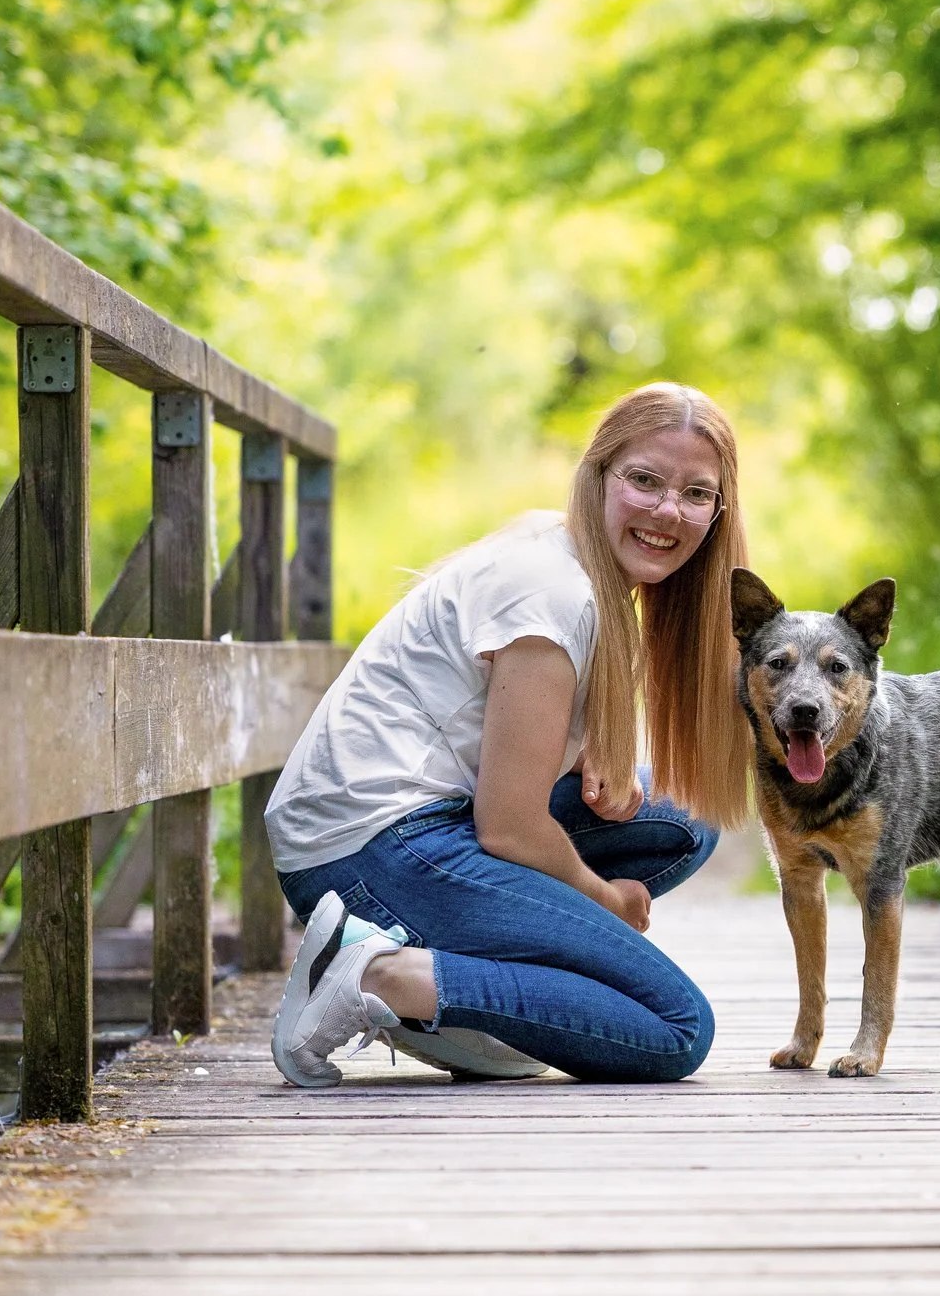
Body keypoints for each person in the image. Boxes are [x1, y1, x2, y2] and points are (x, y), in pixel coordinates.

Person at [264, 382, 751, 1086]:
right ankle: (381, 975)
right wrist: (603, 898)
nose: (668, 511)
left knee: (679, 821)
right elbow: (511, 827)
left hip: (419, 824)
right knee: (675, 1029)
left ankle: (468, 1000)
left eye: (696, 494)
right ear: (598, 475)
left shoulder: (569, 553)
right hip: (363, 852)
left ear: (719, 510)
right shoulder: (552, 593)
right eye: (645, 480)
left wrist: (587, 758)